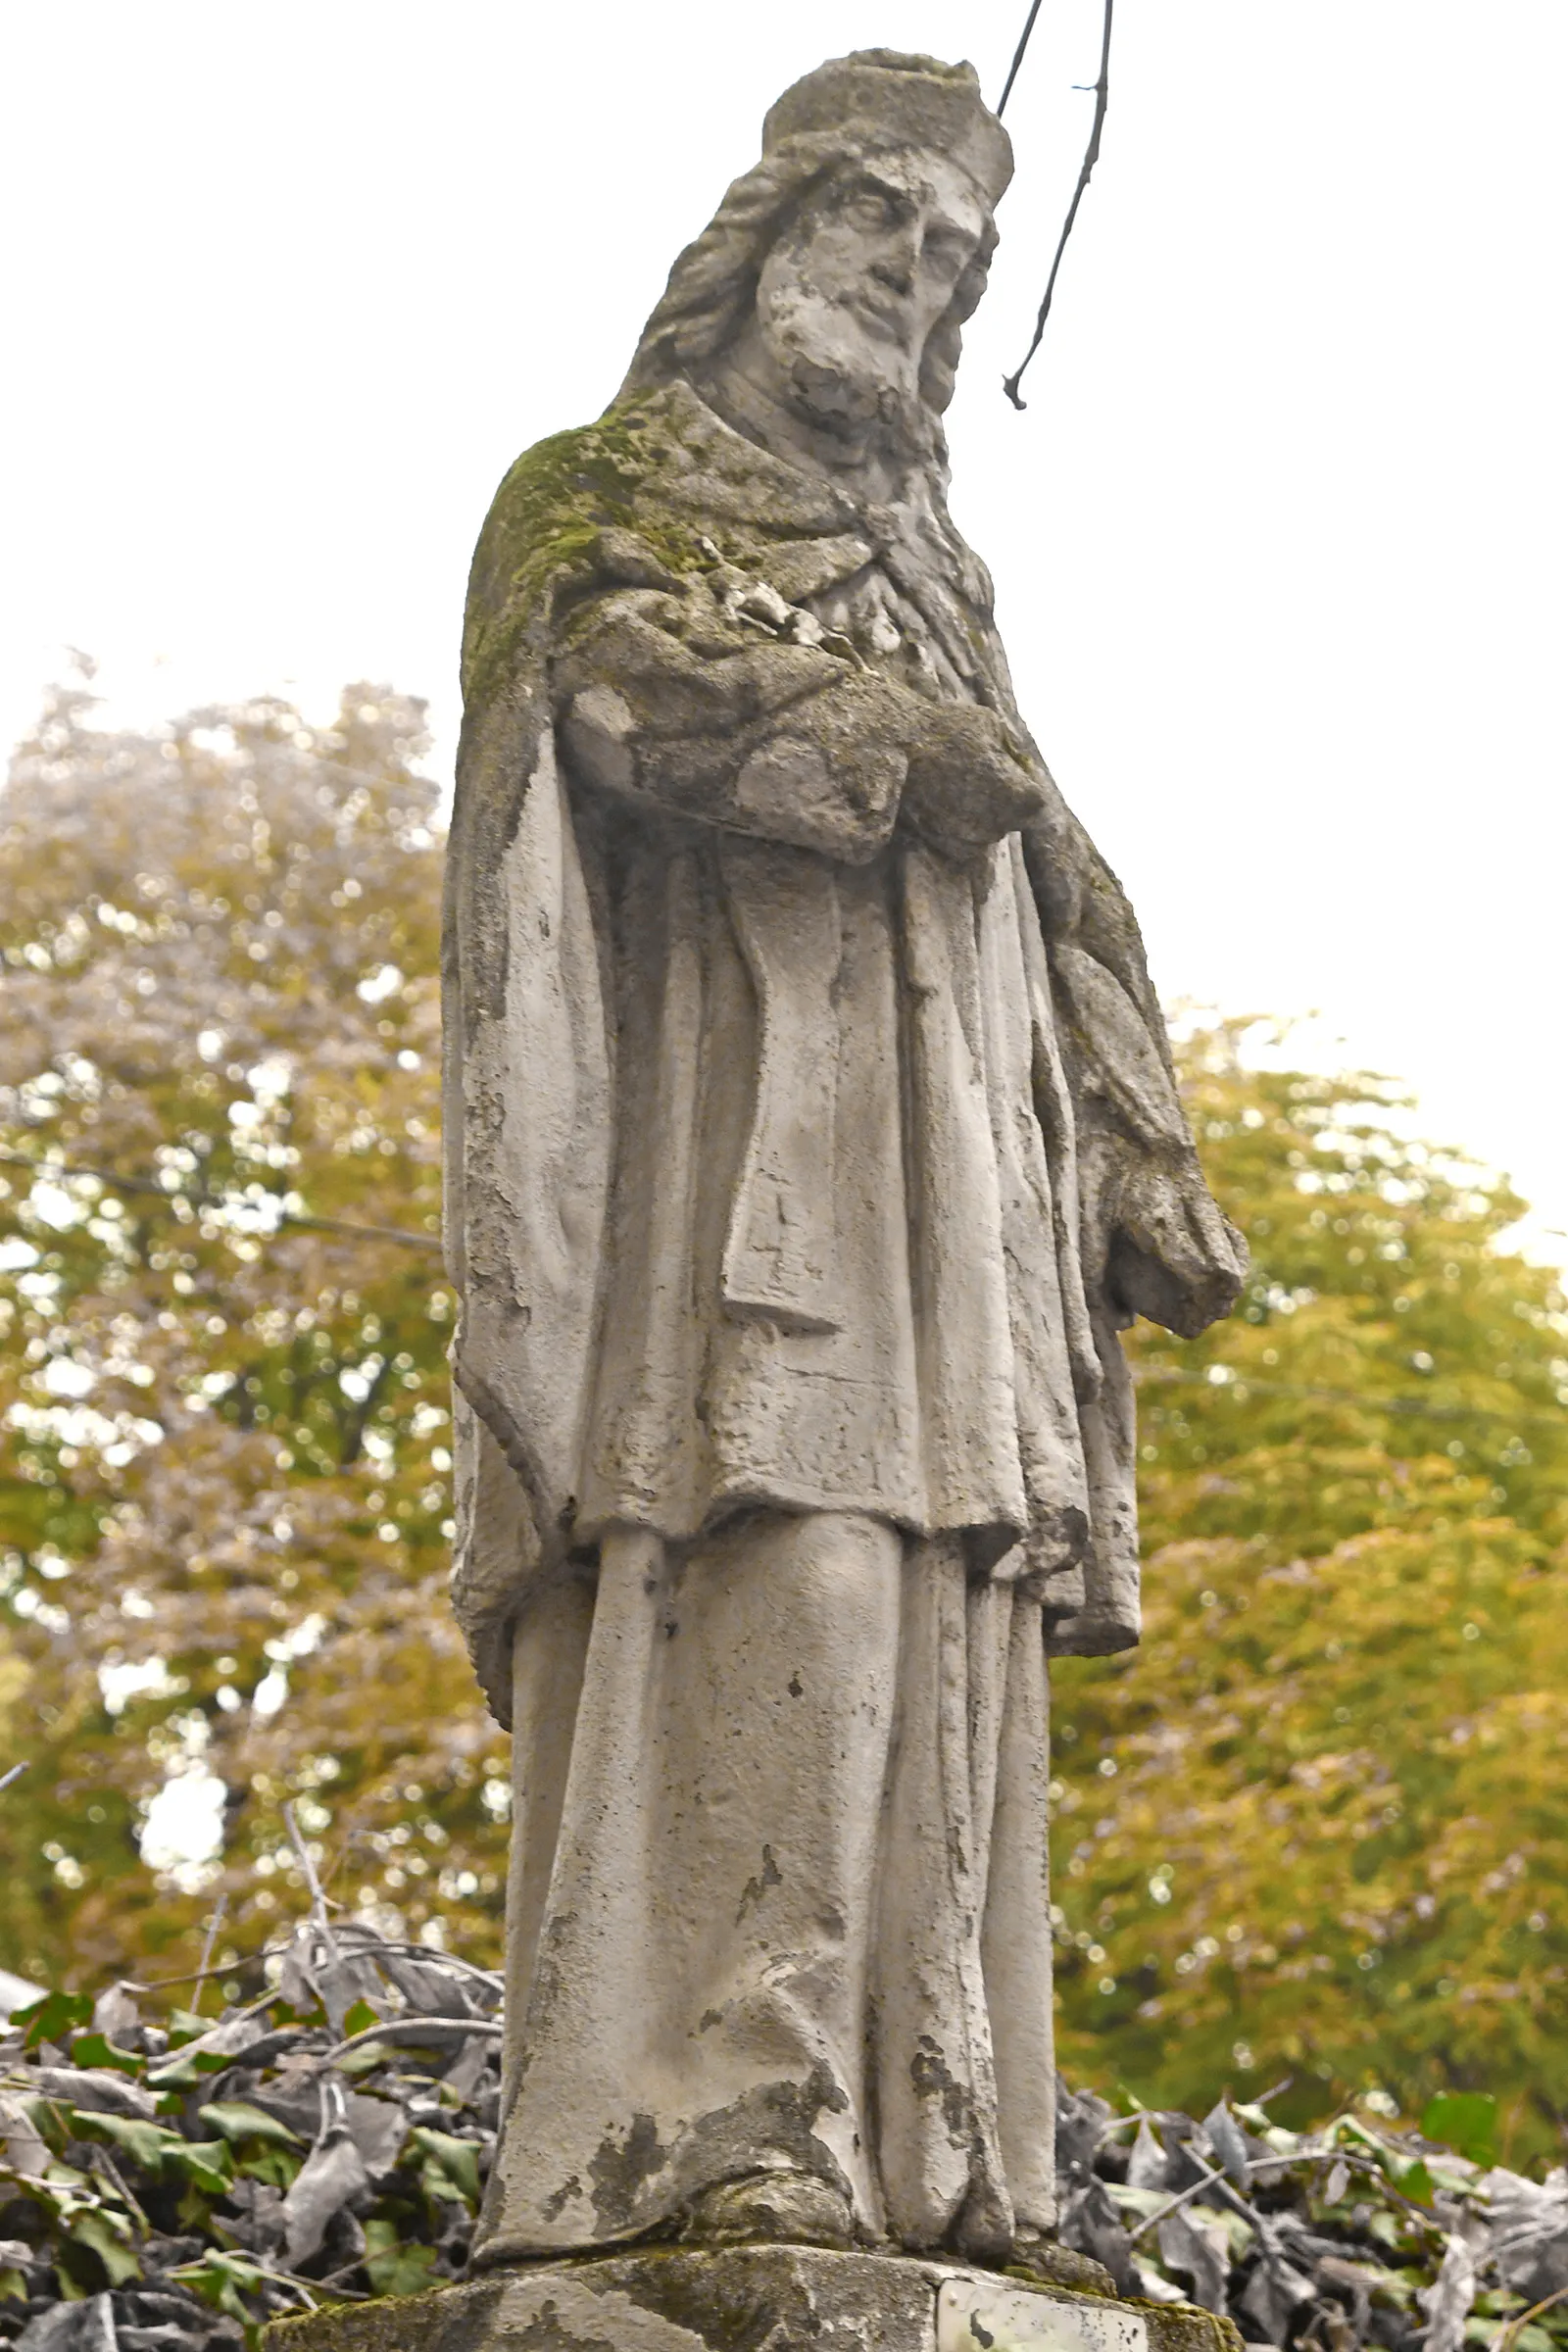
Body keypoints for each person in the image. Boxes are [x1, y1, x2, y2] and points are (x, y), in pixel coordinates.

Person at [442, 49, 1245, 2271]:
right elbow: (615, 707)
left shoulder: (941, 569)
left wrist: (1131, 1140)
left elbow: (1060, 868)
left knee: (946, 1601)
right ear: (756, 247)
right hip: (737, 1167)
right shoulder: (594, 490)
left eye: (957, 261)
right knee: (780, 1548)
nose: (914, 280)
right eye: (874, 230)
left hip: (951, 1193)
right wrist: (854, 744)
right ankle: (718, 2125)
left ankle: (945, 2148)